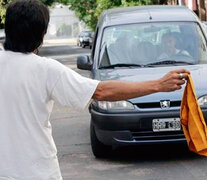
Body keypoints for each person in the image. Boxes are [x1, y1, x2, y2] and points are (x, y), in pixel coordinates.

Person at [0, 0, 189, 180]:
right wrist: (158, 85)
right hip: (36, 172)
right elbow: (101, 91)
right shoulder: (46, 70)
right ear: (40, 34)